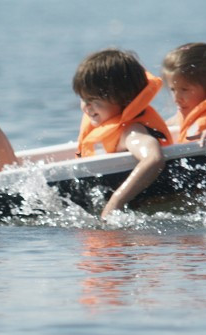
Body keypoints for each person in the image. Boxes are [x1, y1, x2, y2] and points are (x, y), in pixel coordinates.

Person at [72, 48, 172, 220]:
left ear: (125, 99)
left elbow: (154, 158)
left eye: (95, 101)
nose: (87, 107)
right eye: (84, 99)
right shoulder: (112, 126)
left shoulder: (131, 132)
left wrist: (115, 202)